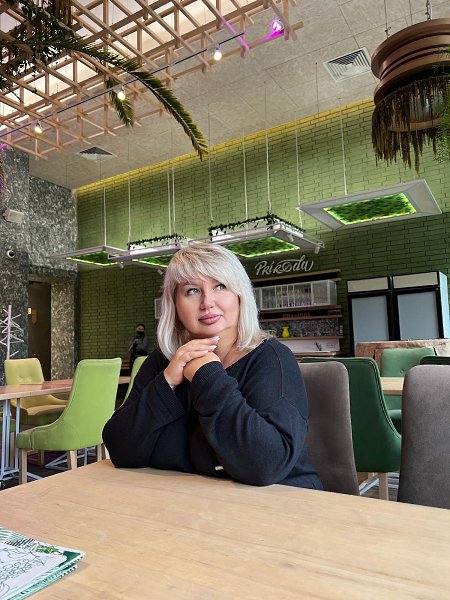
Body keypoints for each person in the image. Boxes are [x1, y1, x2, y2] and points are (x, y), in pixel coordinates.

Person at [104, 242, 322, 489]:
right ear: (175, 306)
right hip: (185, 502)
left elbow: (265, 466)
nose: (207, 302)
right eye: (192, 291)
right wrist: (166, 383)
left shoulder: (272, 358)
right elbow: (120, 449)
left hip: (278, 502)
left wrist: (206, 376)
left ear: (240, 296)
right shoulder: (163, 361)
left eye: (220, 286)